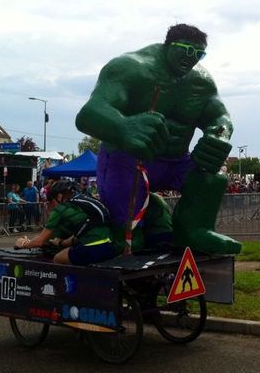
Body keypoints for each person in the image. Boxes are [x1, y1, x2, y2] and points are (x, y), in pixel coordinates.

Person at [76, 23, 241, 255]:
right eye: (185, 49)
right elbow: (89, 113)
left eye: (198, 53)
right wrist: (123, 127)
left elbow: (219, 116)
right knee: (130, 239)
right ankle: (123, 237)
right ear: (168, 45)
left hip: (176, 161)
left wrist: (219, 133)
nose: (191, 58)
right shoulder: (131, 68)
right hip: (129, 160)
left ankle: (194, 231)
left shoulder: (201, 82)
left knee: (211, 176)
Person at [14, 180, 120, 265]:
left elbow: (39, 242)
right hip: (111, 246)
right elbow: (80, 234)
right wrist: (60, 242)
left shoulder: (61, 209)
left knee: (58, 258)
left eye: (51, 202)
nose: (51, 206)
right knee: (70, 251)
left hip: (92, 249)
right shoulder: (84, 201)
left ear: (59, 197)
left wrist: (23, 244)